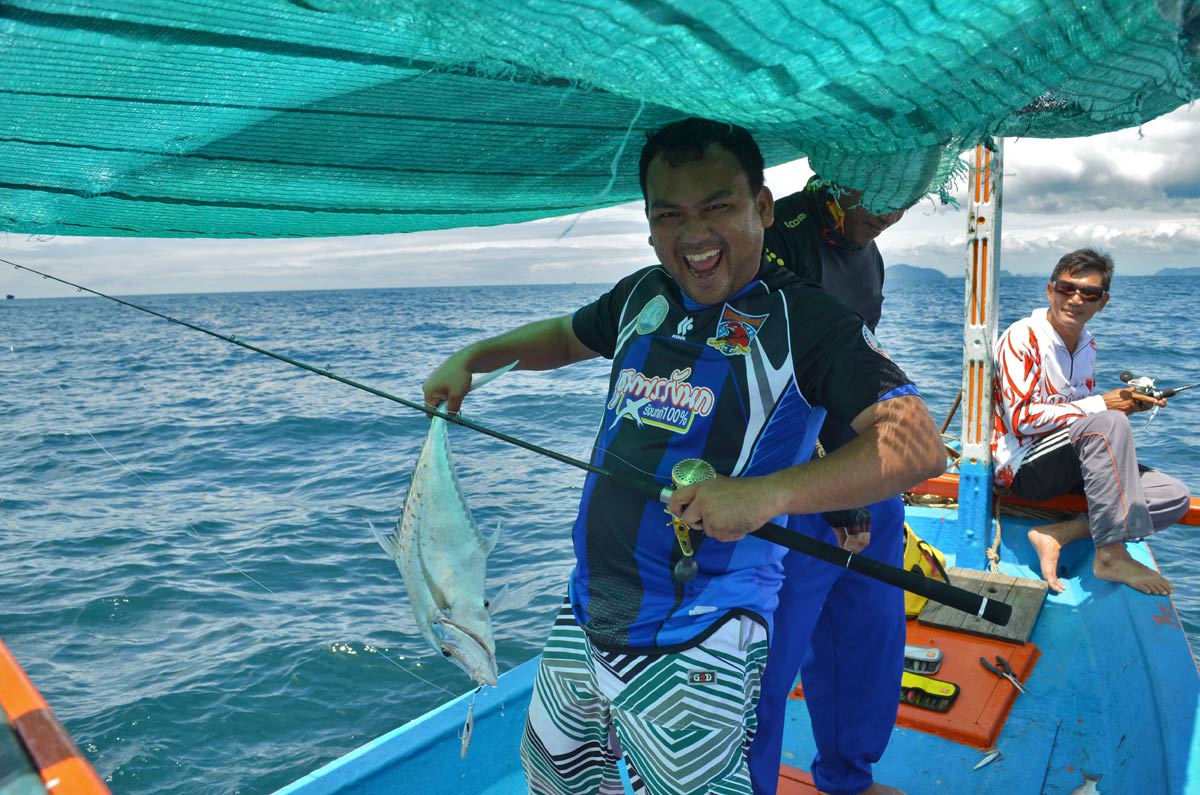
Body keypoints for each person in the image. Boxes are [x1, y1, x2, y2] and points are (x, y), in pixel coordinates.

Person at [422, 118, 945, 795]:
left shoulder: (805, 320)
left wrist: (767, 494)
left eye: (717, 207)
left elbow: (916, 442)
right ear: (648, 227)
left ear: (762, 207)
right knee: (554, 774)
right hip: (585, 611)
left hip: (702, 635)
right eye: (669, 215)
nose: (693, 234)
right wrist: (476, 357)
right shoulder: (643, 294)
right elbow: (564, 335)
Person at [749, 177, 913, 795]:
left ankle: (847, 776)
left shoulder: (869, 254)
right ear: (844, 178)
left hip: (863, 479)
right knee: (768, 659)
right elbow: (774, 380)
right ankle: (745, 782)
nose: (894, 214)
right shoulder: (771, 239)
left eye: (908, 201)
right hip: (790, 487)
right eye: (884, 198)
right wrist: (844, 496)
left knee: (870, 636)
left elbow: (854, 364)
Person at [991, 248, 1191, 595]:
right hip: (1023, 467)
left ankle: (1060, 533)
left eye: (1089, 293)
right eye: (1067, 288)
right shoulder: (1022, 338)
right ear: (1050, 291)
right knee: (1109, 420)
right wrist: (1103, 405)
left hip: (1066, 458)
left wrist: (1125, 404)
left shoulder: (1087, 345)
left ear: (1103, 302)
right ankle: (1110, 555)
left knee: (1173, 495)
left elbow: (1081, 415)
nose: (1076, 299)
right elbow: (1022, 420)